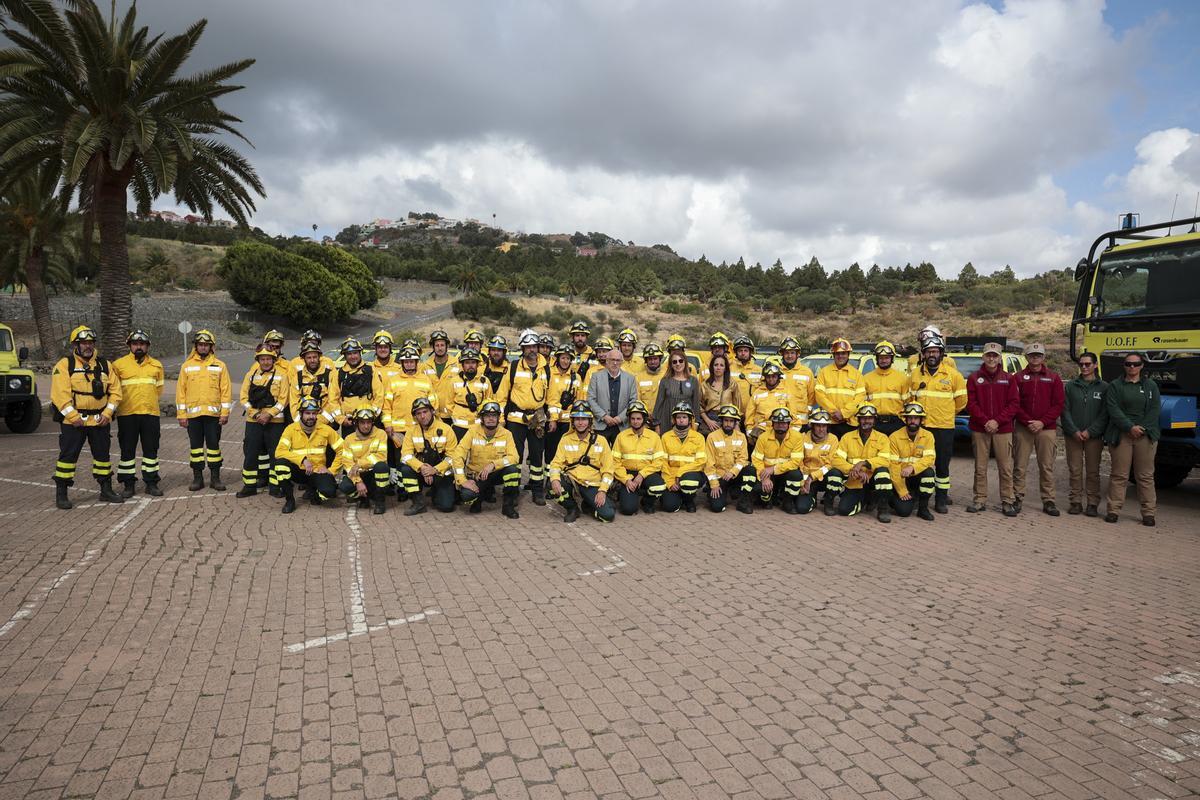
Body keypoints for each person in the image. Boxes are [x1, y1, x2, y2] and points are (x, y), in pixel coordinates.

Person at [50, 325, 125, 509]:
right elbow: (60, 395)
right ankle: (62, 493)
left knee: (102, 457)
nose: (87, 346)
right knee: (67, 457)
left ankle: (105, 490)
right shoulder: (64, 365)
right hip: (74, 423)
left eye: (90, 342)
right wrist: (73, 416)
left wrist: (108, 413)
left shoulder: (105, 365)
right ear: (76, 344)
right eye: (83, 343)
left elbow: (116, 393)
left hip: (100, 421)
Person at [906, 334, 965, 513]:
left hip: (943, 427)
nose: (932, 354)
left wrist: (946, 414)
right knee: (917, 460)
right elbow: (910, 398)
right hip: (921, 427)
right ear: (923, 354)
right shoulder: (915, 374)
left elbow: (961, 401)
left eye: (935, 351)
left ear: (941, 353)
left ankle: (941, 498)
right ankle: (916, 495)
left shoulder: (953, 375)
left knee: (941, 464)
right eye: (928, 351)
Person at [1104, 352, 1161, 526]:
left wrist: (1140, 428)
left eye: (1135, 364)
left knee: (1145, 476)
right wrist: (1129, 427)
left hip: (1145, 434)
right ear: (1124, 366)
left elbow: (1154, 410)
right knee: (1119, 474)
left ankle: (1148, 513)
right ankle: (1113, 510)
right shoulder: (1115, 385)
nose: (1132, 367)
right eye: (1128, 364)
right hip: (1122, 434)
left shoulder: (1150, 386)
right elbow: (1113, 409)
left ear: (1142, 366)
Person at [965, 342, 1020, 516]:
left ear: (999, 357)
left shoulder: (1008, 378)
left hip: (1002, 429)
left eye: (995, 355)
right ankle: (980, 499)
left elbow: (1014, 404)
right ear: (983, 356)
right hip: (980, 429)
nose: (991, 358)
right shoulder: (974, 378)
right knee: (980, 467)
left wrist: (997, 421)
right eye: (988, 355)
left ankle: (1007, 500)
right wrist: (985, 421)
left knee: (1005, 467)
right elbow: (971, 404)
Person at [496, 331, 552, 504]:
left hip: (537, 419)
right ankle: (512, 492)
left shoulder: (547, 369)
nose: (532, 350)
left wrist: (552, 418)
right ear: (522, 348)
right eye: (528, 347)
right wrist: (501, 419)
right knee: (515, 457)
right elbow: (501, 396)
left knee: (536, 457)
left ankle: (537, 491)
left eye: (534, 346)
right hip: (516, 419)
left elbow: (551, 397)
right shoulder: (513, 367)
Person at [1012, 343, 1065, 516]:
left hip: (1046, 428)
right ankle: (1017, 497)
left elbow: (1058, 404)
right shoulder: (1018, 377)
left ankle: (1048, 500)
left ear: (1043, 357)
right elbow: (1014, 403)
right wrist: (1028, 421)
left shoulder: (1053, 377)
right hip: (1023, 427)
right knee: (1020, 465)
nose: (1035, 358)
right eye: (1032, 355)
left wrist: (1042, 422)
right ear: (1026, 357)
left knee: (1046, 466)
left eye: (1038, 355)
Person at [177, 330, 232, 492]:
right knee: (196, 448)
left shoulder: (220, 366)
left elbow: (226, 391)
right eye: (200, 345)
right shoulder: (186, 366)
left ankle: (215, 478)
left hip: (213, 416)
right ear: (196, 346)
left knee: (214, 447)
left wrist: (225, 413)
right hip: (193, 416)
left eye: (206, 345)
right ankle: (198, 478)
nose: (203, 347)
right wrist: (181, 415)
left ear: (211, 347)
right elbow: (181, 392)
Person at [112, 329, 165, 498]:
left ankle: (151, 483)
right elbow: (114, 389)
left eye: (142, 344)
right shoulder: (118, 365)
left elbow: (158, 390)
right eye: (135, 344)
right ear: (130, 346)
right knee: (127, 451)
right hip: (127, 414)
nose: (139, 347)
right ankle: (128, 484)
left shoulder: (157, 365)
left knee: (151, 451)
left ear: (147, 346)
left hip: (150, 413)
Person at [236, 344, 291, 498]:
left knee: (276, 455)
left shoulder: (282, 375)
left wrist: (269, 414)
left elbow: (284, 400)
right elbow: (243, 399)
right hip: (254, 421)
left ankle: (275, 486)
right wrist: (254, 414)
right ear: (258, 360)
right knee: (251, 454)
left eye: (268, 359)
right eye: (263, 359)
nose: (266, 362)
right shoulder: (250, 375)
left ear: (274, 359)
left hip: (275, 422)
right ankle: (249, 485)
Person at [548, 402, 617, 523]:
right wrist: (554, 480)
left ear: (590, 421)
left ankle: (588, 505)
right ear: (572, 421)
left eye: (584, 419)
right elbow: (556, 464)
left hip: (592, 484)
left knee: (607, 516)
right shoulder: (565, 439)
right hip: (573, 482)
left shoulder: (601, 441)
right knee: (551, 487)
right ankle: (572, 508)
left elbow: (608, 470)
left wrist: (602, 490)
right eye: (577, 419)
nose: (580, 423)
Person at [452, 401, 521, 518]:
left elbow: (514, 457)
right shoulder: (472, 431)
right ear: (482, 418)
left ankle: (508, 506)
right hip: (477, 476)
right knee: (467, 496)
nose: (491, 419)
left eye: (494, 416)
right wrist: (462, 480)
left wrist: (493, 464)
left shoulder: (507, 434)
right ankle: (480, 497)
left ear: (498, 418)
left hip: (495, 473)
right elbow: (458, 456)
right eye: (487, 415)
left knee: (513, 470)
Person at [274, 397, 343, 514]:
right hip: (299, 472)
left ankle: (314, 493)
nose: (311, 416)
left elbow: (343, 449)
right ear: (300, 413)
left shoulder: (326, 430)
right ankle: (290, 500)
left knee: (330, 492)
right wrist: (302, 460)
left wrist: (331, 471)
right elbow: (279, 452)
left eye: (314, 413)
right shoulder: (290, 429)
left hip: (318, 472)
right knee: (281, 465)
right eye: (307, 413)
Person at [1061, 351, 1109, 516]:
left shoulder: (1104, 387)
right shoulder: (1071, 386)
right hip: (1073, 435)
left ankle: (1093, 503)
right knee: (1075, 470)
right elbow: (1064, 410)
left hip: (1093, 437)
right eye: (1081, 364)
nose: (1084, 367)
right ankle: (1075, 502)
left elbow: (1105, 414)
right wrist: (1073, 430)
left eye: (1088, 364)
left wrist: (1091, 431)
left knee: (1093, 471)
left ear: (1095, 365)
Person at [830, 403, 893, 522]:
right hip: (855, 480)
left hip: (873, 480)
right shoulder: (847, 437)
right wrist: (852, 469)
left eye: (870, 418)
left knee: (883, 472)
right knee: (844, 511)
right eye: (863, 418)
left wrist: (864, 463)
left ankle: (883, 509)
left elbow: (885, 460)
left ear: (874, 420)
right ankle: (865, 500)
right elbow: (837, 460)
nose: (866, 421)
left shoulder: (882, 438)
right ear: (858, 419)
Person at [398, 397, 458, 515]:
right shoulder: (411, 431)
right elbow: (405, 455)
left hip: (441, 473)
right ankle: (418, 503)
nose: (422, 416)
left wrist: (434, 470)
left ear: (432, 412)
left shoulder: (446, 429)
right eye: (418, 413)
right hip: (421, 471)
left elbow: (453, 457)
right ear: (415, 416)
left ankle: (437, 492)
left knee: (446, 507)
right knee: (405, 469)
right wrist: (422, 468)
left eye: (425, 412)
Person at [610, 400, 666, 515]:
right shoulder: (621, 437)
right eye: (633, 419)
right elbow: (614, 462)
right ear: (629, 420)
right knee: (628, 510)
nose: (635, 422)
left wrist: (642, 474)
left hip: (647, 473)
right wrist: (626, 480)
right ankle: (622, 492)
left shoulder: (654, 437)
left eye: (639, 419)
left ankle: (647, 502)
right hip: (627, 474)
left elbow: (659, 461)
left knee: (659, 486)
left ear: (644, 419)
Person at [333, 407, 391, 515]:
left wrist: (359, 463)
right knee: (344, 486)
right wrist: (358, 481)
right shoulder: (349, 439)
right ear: (356, 423)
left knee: (382, 467)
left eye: (369, 422)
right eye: (362, 422)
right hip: (359, 474)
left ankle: (380, 501)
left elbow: (381, 456)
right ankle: (363, 498)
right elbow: (347, 463)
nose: (366, 426)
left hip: (374, 475)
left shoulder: (381, 434)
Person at [751, 407, 805, 514]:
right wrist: (764, 478)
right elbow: (756, 460)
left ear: (789, 424)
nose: (781, 425)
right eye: (778, 422)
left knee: (796, 475)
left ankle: (787, 502)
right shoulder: (763, 437)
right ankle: (766, 499)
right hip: (767, 474)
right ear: (772, 423)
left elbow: (795, 462)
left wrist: (774, 469)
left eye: (784, 423)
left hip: (785, 473)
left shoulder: (797, 437)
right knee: (758, 489)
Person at [887, 403, 937, 521]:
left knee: (929, 474)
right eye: (910, 418)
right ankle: (897, 498)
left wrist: (912, 468)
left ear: (921, 420)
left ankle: (923, 508)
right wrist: (901, 490)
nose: (912, 421)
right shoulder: (894, 437)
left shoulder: (928, 436)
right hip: (900, 478)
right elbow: (893, 466)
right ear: (905, 419)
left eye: (916, 418)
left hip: (917, 475)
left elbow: (929, 458)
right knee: (904, 512)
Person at [329, 337, 385, 437]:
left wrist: (371, 417)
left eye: (355, 353)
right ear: (345, 356)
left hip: (368, 422)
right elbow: (333, 400)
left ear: (360, 353)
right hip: (349, 423)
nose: (352, 356)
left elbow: (379, 396)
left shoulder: (371, 371)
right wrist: (341, 419)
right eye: (349, 354)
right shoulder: (339, 374)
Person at [704, 404, 755, 513]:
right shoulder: (712, 437)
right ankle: (717, 493)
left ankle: (743, 501)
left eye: (731, 421)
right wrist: (714, 485)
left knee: (750, 470)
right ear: (721, 421)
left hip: (734, 475)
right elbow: (709, 464)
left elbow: (743, 459)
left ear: (735, 422)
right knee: (717, 507)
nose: (728, 423)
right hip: (720, 477)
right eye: (726, 420)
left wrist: (732, 472)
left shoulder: (741, 437)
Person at [660, 402, 708, 513]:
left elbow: (701, 461)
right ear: (674, 419)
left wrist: (681, 472)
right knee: (670, 507)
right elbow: (663, 462)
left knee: (688, 481)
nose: (681, 420)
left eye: (684, 417)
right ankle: (678, 497)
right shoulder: (666, 437)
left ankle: (689, 500)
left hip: (692, 474)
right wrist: (670, 482)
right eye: (678, 417)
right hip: (671, 476)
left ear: (690, 420)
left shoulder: (698, 437)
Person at [587, 348, 638, 445]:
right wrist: (604, 416)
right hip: (601, 425)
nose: (615, 363)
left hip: (622, 426)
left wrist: (620, 418)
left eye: (618, 360)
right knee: (599, 455)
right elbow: (590, 399)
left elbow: (633, 401)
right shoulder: (596, 377)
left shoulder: (630, 378)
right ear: (607, 361)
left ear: (622, 362)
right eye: (612, 360)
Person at [815, 338, 864, 438]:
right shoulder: (824, 372)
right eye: (837, 354)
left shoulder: (857, 375)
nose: (840, 356)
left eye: (843, 353)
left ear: (848, 354)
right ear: (833, 355)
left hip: (850, 423)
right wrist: (834, 412)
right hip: (829, 422)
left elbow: (860, 398)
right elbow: (819, 395)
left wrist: (844, 413)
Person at [795, 410, 841, 515]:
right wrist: (803, 482)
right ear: (812, 426)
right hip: (806, 478)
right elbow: (799, 462)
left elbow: (830, 464)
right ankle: (812, 498)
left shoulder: (833, 439)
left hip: (822, 477)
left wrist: (812, 477)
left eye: (824, 426)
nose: (821, 429)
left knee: (836, 474)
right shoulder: (802, 438)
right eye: (818, 426)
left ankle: (828, 503)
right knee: (802, 508)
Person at [745, 363, 800, 442]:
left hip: (780, 430)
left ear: (778, 377)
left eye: (774, 376)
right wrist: (749, 430)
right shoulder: (757, 393)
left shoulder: (786, 392)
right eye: (768, 377)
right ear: (765, 377)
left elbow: (793, 415)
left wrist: (792, 433)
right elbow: (750, 414)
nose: (771, 379)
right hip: (760, 431)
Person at [446, 348, 494, 441]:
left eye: (473, 362)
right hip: (458, 426)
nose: (470, 365)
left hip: (478, 426)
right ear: (462, 365)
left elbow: (489, 402)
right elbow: (449, 404)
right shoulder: (453, 381)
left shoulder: (485, 381)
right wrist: (457, 415)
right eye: (467, 363)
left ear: (477, 364)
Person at [545, 344, 580, 469]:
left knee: (567, 453)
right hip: (553, 421)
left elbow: (579, 400)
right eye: (563, 358)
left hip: (569, 422)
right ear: (558, 358)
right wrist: (553, 419)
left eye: (568, 358)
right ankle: (550, 480)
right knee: (551, 452)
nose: (566, 361)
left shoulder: (576, 378)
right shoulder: (549, 374)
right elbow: (551, 400)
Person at [653, 348, 702, 432]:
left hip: (687, 423)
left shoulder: (693, 380)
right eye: (674, 362)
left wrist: (696, 423)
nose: (678, 364)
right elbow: (658, 404)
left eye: (680, 361)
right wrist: (657, 425)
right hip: (667, 422)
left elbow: (696, 405)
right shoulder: (665, 381)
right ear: (671, 365)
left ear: (685, 362)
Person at [863, 340, 906, 436]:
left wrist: (903, 421)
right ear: (876, 359)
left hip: (896, 423)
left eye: (886, 357)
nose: (883, 360)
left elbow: (908, 401)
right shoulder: (866, 378)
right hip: (874, 422)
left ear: (892, 359)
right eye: (881, 358)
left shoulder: (902, 378)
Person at [291, 341, 336, 427]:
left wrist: (320, 420)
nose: (312, 360)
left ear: (319, 357)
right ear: (304, 359)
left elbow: (333, 400)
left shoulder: (330, 375)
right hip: (303, 424)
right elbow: (294, 404)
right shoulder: (297, 378)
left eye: (315, 357)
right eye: (309, 357)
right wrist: (301, 423)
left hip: (326, 423)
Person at [698, 353, 742, 435]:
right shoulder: (704, 385)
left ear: (725, 368)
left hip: (728, 417)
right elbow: (699, 406)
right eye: (716, 365)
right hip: (710, 418)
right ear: (712, 367)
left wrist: (736, 424)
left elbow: (738, 406)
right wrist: (708, 421)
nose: (718, 368)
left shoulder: (732, 384)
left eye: (721, 365)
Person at [776, 337, 816, 426]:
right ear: (782, 354)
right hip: (780, 420)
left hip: (801, 421)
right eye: (786, 353)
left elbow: (812, 396)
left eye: (792, 353)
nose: (789, 356)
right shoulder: (775, 372)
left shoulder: (807, 372)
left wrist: (807, 410)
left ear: (797, 354)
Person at [635, 344, 666, 428]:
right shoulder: (638, 377)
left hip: (663, 420)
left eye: (655, 358)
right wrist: (646, 413)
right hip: (645, 421)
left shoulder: (667, 375)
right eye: (650, 359)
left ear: (660, 359)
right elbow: (637, 399)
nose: (653, 361)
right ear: (646, 360)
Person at [730, 336, 761, 419]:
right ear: (736, 352)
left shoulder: (759, 371)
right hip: (732, 415)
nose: (743, 353)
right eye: (740, 351)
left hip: (752, 415)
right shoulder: (728, 369)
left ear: (750, 352)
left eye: (746, 351)